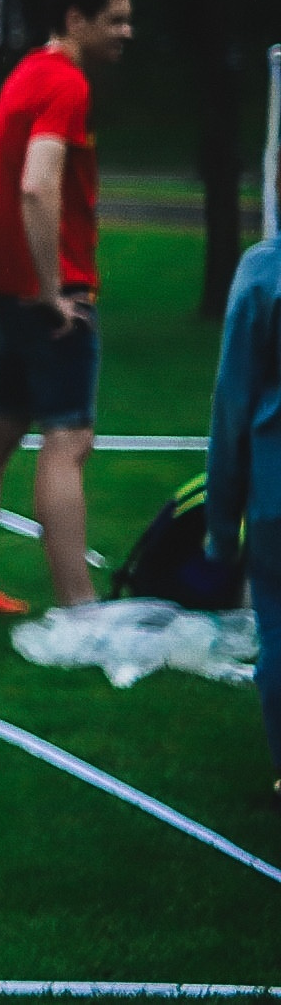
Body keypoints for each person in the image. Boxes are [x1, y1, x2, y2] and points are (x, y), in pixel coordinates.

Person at [0, 0, 134, 616]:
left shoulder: (27, 73)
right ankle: (80, 608)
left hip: (8, 286)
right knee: (68, 440)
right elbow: (36, 181)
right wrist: (55, 288)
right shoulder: (64, 83)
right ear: (75, 20)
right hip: (49, 291)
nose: (126, 31)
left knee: (1, 428)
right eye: (115, 18)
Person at [205, 237, 281, 807]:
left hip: (274, 494)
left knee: (277, 632)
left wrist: (221, 523)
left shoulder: (263, 271)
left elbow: (232, 403)